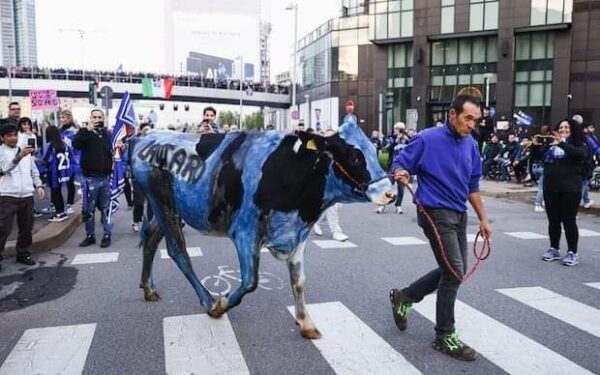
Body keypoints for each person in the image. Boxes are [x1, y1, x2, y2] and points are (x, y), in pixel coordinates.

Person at [388, 90, 491, 361]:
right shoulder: (427, 138)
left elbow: (472, 185)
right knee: (454, 271)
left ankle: (405, 296)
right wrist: (401, 172)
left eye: (476, 120)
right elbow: (400, 162)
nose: (471, 124)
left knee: (455, 269)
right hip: (434, 211)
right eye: (468, 118)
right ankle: (444, 335)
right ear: (453, 114)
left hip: (459, 214)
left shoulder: (470, 144)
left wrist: (483, 218)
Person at [533, 119, 587, 266]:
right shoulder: (550, 146)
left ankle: (572, 252)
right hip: (551, 187)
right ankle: (554, 248)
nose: (563, 129)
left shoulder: (578, 143)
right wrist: (535, 146)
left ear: (572, 129)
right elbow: (538, 158)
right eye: (561, 127)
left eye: (566, 127)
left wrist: (562, 143)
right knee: (553, 221)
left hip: (570, 188)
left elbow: (581, 155)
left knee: (569, 221)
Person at [0, 124, 45, 270]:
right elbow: (4, 168)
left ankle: (23, 253)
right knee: (3, 229)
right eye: (9, 135)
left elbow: (33, 170)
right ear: (2, 137)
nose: (13, 138)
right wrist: (19, 157)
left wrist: (38, 185)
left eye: (15, 135)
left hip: (26, 195)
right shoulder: (1, 151)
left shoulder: (25, 151)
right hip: (7, 195)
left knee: (26, 228)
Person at [73, 109, 114, 248]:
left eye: (99, 117)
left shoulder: (107, 134)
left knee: (107, 208)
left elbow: (112, 151)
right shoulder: (84, 132)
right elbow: (75, 145)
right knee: (88, 210)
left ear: (103, 118)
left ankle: (107, 234)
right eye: (94, 117)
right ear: (90, 118)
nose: (97, 119)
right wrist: (86, 130)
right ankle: (90, 235)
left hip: (106, 178)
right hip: (90, 179)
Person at [43, 126, 74, 222]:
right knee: (58, 192)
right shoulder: (64, 144)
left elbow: (46, 159)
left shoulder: (51, 145)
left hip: (54, 173)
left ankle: (59, 213)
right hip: (64, 172)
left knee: (55, 192)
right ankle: (62, 211)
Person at [378, 122, 410, 214]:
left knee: (401, 187)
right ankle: (382, 205)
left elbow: (413, 147)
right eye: (396, 129)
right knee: (387, 185)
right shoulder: (391, 138)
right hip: (392, 166)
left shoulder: (407, 139)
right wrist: (396, 140)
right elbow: (385, 148)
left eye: (400, 129)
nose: (397, 131)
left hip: (403, 166)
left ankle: (398, 206)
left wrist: (407, 138)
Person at [59, 110, 81, 214]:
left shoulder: (75, 130)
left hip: (72, 159)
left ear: (69, 118)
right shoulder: (59, 130)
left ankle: (70, 203)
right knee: (59, 180)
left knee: (70, 182)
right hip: (61, 159)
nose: (62, 119)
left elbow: (77, 145)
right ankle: (57, 203)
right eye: (61, 117)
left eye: (64, 117)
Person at [581, 123, 598, 209]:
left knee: (585, 183)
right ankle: (578, 202)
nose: (593, 129)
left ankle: (586, 200)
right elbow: (596, 148)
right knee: (584, 183)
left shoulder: (587, 137)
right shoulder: (588, 138)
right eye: (591, 127)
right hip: (587, 163)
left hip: (585, 163)